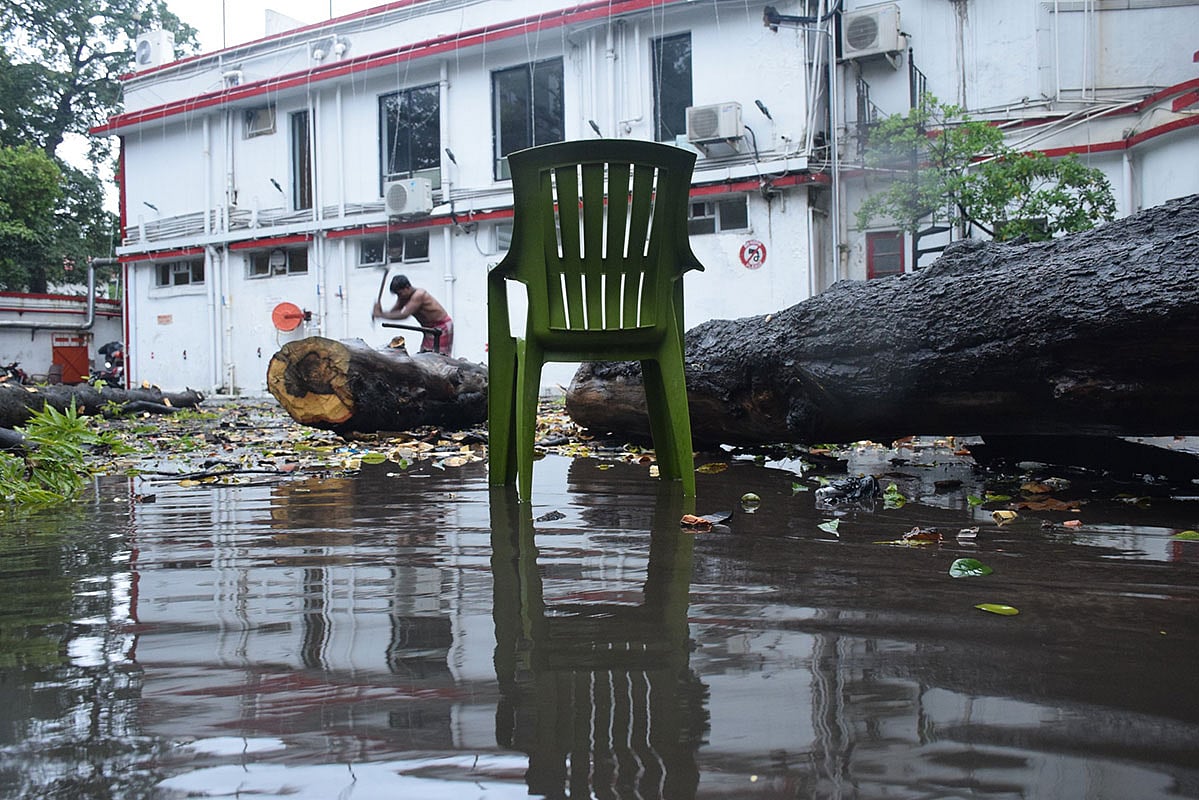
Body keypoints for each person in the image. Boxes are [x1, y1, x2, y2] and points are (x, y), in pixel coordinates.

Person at [371, 274, 454, 355]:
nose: (399, 297)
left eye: (399, 293)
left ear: (407, 287)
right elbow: (393, 312)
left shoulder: (419, 295)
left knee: (440, 356)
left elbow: (404, 314)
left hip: (441, 327)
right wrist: (381, 312)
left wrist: (381, 315)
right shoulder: (403, 297)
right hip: (428, 329)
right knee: (425, 354)